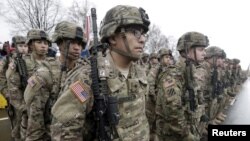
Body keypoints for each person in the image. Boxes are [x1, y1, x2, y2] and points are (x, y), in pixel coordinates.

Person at [155, 31, 209, 141]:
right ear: (187, 50)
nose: (204, 54)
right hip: (173, 134)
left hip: (185, 127)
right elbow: (172, 111)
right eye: (200, 50)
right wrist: (186, 135)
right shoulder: (173, 74)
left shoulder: (188, 70)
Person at [49, 21, 93, 141]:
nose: (77, 48)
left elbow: (83, 100)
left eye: (79, 44)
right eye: (72, 42)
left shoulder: (84, 71)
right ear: (59, 43)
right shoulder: (46, 72)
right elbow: (36, 115)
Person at [5, 29, 51, 140]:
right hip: (29, 115)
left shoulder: (54, 63)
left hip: (50, 112)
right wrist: (25, 108)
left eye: (45, 43)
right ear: (30, 44)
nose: (43, 46)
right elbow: (14, 90)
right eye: (39, 42)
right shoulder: (21, 63)